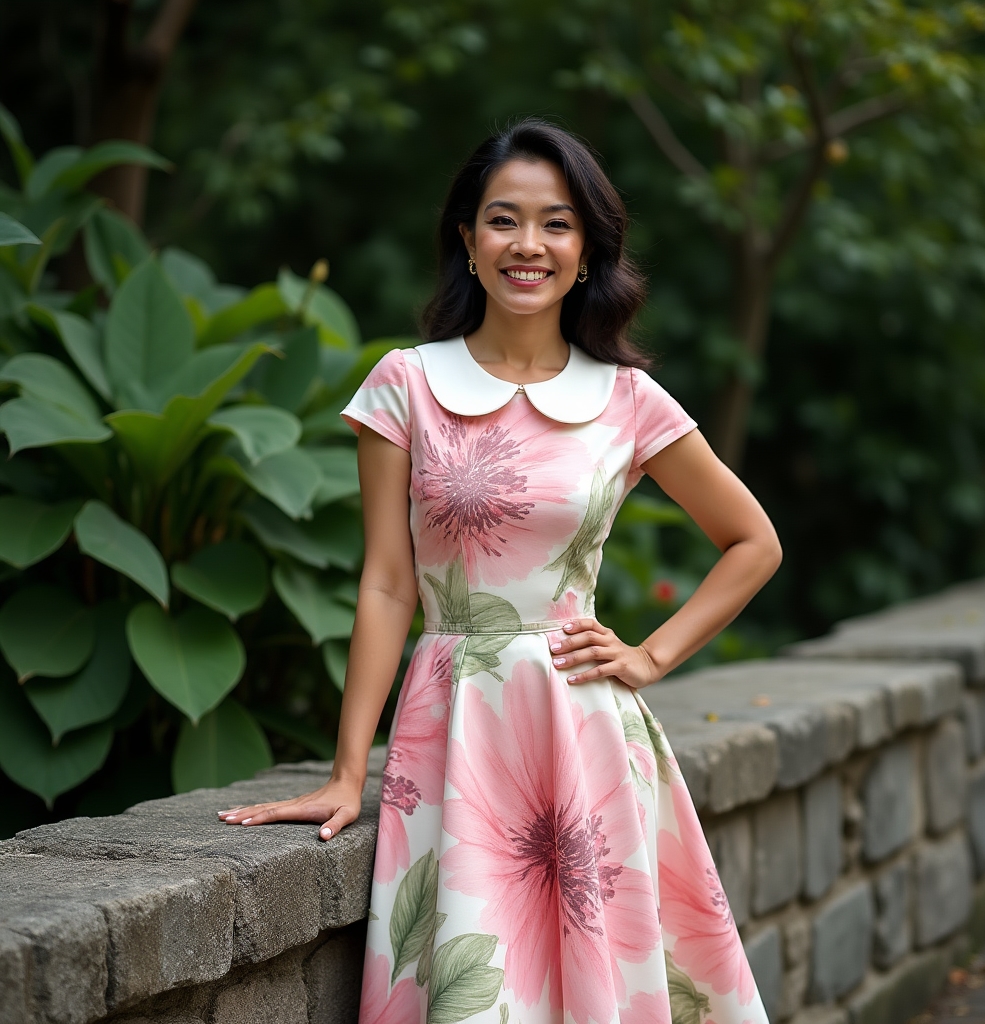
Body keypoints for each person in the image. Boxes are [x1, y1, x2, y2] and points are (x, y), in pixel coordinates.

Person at [220, 117, 781, 1024]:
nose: (530, 245)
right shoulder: (406, 384)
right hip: (454, 730)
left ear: (589, 247)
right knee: (477, 988)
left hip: (587, 730)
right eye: (504, 220)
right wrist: (347, 771)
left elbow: (754, 541)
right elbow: (388, 585)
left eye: (557, 223)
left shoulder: (628, 400)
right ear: (467, 240)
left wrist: (650, 657)